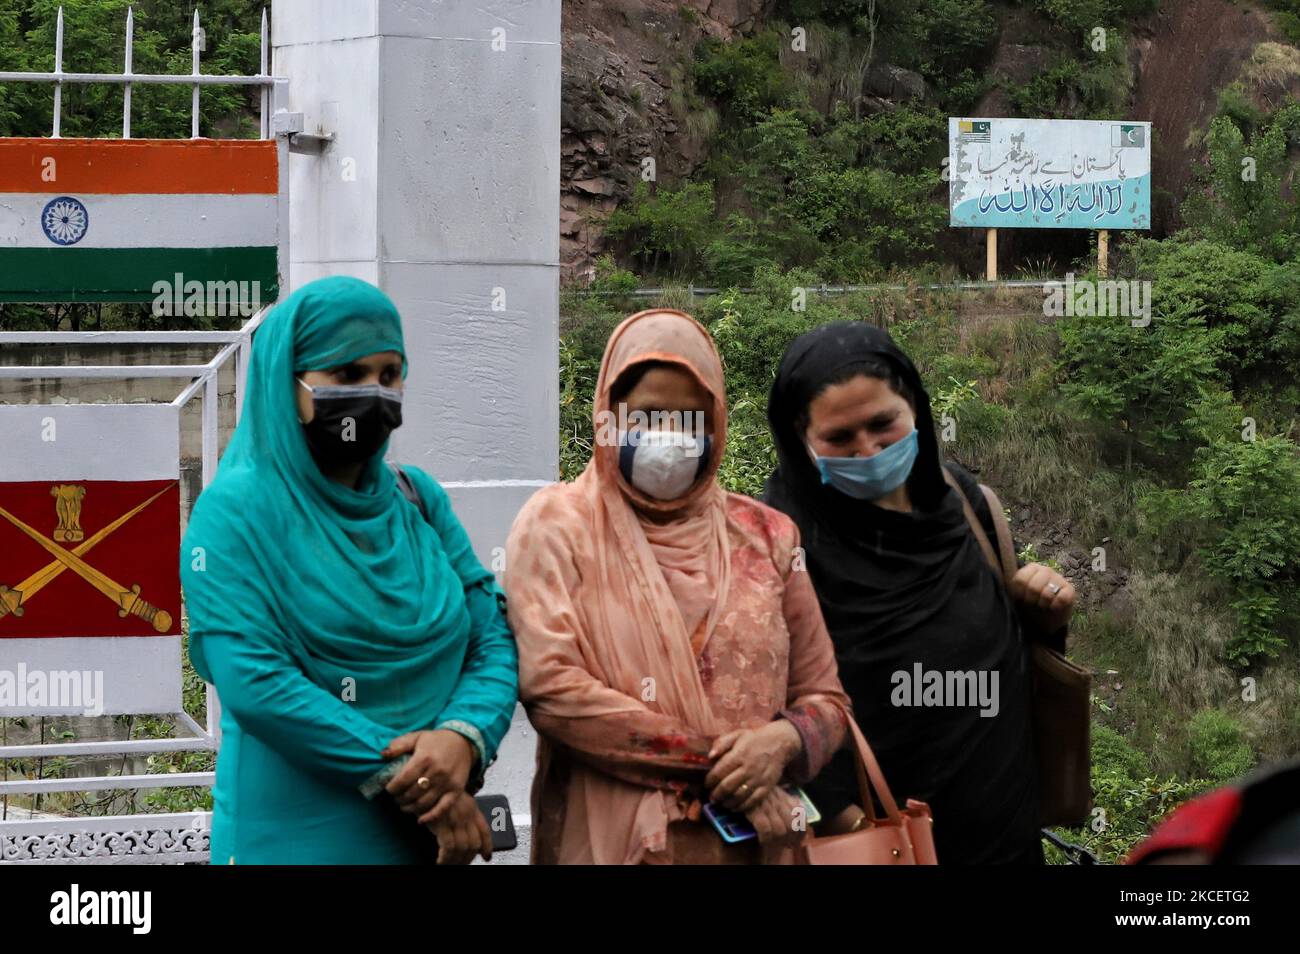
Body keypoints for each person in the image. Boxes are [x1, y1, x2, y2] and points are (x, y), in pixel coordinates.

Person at [180, 276, 518, 864]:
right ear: (286, 385)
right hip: (294, 841)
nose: (374, 393)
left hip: (425, 837)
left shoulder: (417, 499)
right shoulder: (235, 513)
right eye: (347, 375)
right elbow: (256, 682)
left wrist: (464, 736)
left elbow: (492, 634)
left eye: (389, 376)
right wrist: (418, 778)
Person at [504, 308, 850, 864]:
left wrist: (782, 743)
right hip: (612, 844)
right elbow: (552, 692)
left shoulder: (767, 535)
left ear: (716, 423)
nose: (668, 437)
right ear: (608, 417)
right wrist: (724, 764)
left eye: (690, 419)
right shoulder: (558, 525)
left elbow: (825, 699)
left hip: (755, 844)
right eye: (644, 417)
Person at [763, 321, 1077, 864]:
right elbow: (762, 704)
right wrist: (853, 827)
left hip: (1005, 835)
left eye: (883, 424)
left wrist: (1047, 611)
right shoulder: (778, 544)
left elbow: (1007, 655)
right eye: (840, 438)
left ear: (915, 408)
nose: (867, 451)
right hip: (879, 847)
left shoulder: (963, 503)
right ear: (800, 439)